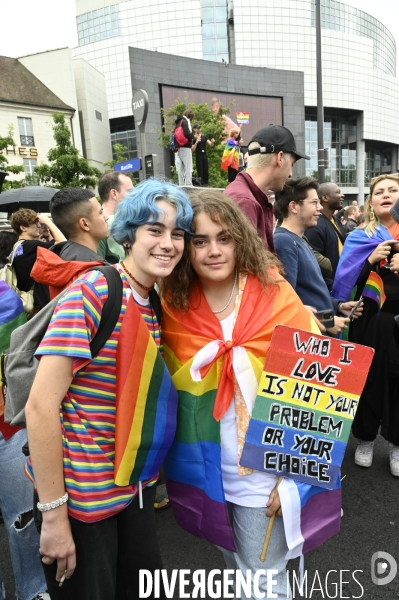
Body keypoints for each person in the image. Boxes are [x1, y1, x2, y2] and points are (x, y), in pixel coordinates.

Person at [24, 179, 193, 600]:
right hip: (83, 506)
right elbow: (41, 407)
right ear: (128, 234)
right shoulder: (95, 292)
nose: (168, 243)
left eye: (177, 233)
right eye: (155, 230)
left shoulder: (153, 300)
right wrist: (54, 517)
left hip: (133, 492)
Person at [160, 190, 333, 599]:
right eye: (200, 241)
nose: (213, 251)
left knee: (264, 575)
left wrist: (295, 481)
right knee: (238, 570)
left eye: (224, 238)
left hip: (266, 471)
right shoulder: (172, 304)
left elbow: (318, 390)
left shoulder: (274, 294)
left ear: (241, 239)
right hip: (205, 469)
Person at [332, 175, 399, 476]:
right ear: (370, 202)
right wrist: (370, 261)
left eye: (393, 190)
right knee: (367, 381)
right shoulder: (359, 236)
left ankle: (397, 444)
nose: (386, 195)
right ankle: (365, 439)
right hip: (368, 323)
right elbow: (344, 286)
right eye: (379, 192)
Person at [273, 177, 361, 335]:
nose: (320, 207)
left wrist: (338, 305)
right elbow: (285, 304)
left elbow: (309, 293)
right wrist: (327, 321)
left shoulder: (298, 240)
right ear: (294, 206)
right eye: (314, 202)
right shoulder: (284, 242)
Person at [224, 125, 310, 251]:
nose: (291, 174)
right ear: (280, 158)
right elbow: (248, 267)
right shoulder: (244, 201)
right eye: (291, 164)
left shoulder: (250, 197)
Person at [31, 188, 109, 299]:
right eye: (101, 212)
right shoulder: (98, 275)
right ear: (85, 224)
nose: (106, 217)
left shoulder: (59, 260)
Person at [10, 208, 65, 311]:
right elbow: (63, 243)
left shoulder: (18, 247)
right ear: (23, 228)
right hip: (38, 306)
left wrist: (47, 234)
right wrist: (48, 221)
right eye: (35, 223)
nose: (39, 226)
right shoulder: (31, 246)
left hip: (27, 303)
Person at [305, 182, 346, 291]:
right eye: (337, 192)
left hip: (341, 283)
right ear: (325, 198)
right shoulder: (316, 225)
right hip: (328, 289)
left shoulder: (336, 220)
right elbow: (315, 263)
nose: (342, 195)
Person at [97, 171, 134, 263]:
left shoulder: (128, 222)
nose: (134, 196)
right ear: (114, 193)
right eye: (130, 191)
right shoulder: (99, 225)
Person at [174, 109, 195, 186]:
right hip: (186, 147)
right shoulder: (185, 121)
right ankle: (189, 184)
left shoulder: (178, 122)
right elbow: (187, 133)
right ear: (190, 116)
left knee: (181, 167)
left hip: (179, 147)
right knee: (188, 166)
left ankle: (181, 184)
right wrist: (193, 137)